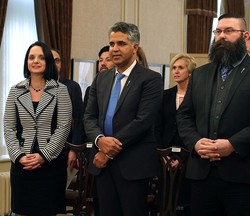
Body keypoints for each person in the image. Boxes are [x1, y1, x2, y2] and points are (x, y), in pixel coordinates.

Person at [177, 13, 250, 216]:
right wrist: (195, 142)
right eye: (218, 31)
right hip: (202, 174)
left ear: (244, 36)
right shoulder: (200, 74)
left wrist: (232, 145)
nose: (221, 36)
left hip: (243, 175)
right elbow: (184, 116)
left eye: (228, 31)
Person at [83, 21, 163, 216]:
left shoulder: (150, 79)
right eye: (112, 44)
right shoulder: (101, 78)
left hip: (132, 163)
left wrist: (108, 151)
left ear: (135, 47)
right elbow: (89, 116)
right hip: (102, 163)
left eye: (121, 44)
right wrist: (100, 140)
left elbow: (143, 120)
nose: (114, 49)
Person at [4, 41, 72, 215]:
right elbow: (9, 128)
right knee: (21, 211)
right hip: (22, 163)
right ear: (26, 62)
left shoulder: (61, 90)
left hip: (51, 164)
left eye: (41, 57)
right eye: (31, 57)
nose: (36, 61)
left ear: (48, 61)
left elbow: (63, 127)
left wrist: (44, 156)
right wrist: (18, 156)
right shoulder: (15, 91)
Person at [155, 53, 196, 215]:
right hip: (164, 155)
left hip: (189, 156)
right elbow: (156, 127)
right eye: (174, 68)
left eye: (180, 68)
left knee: (184, 201)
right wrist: (162, 154)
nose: (176, 71)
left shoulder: (197, 97)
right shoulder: (165, 95)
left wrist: (183, 157)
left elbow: (197, 128)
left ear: (190, 72)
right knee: (165, 200)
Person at [51, 48, 84, 169]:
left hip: (64, 149)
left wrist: (74, 149)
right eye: (51, 60)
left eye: (57, 61)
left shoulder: (71, 87)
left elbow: (80, 119)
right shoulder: (35, 88)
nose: (54, 64)